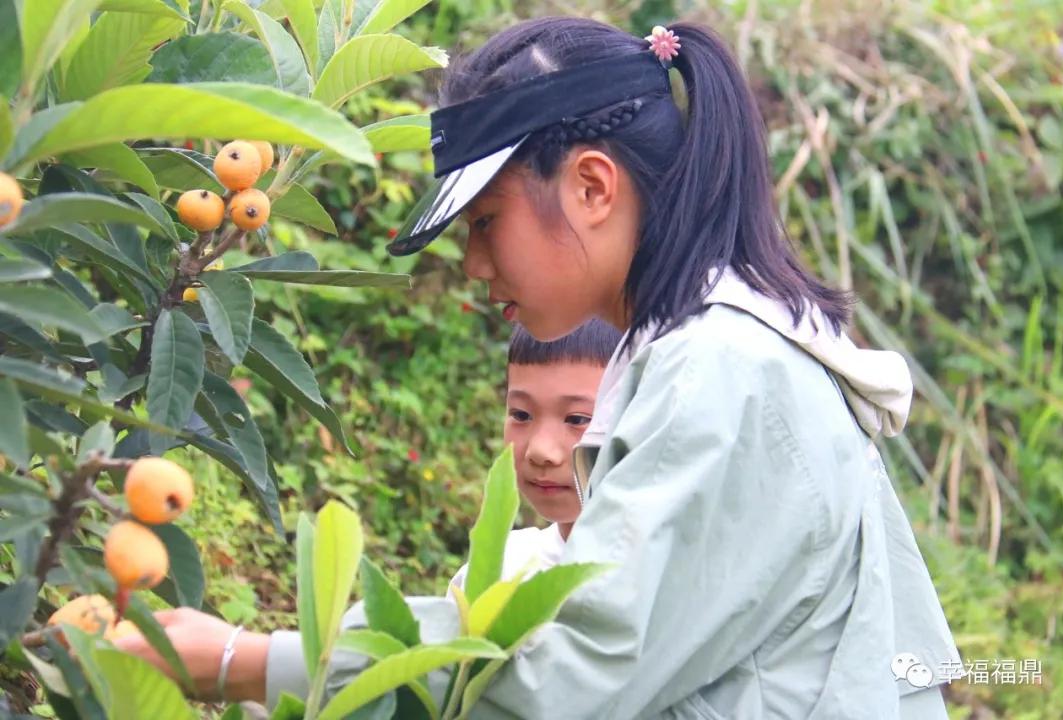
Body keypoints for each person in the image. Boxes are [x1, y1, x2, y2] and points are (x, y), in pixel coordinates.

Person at [119, 16, 963, 719]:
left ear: (593, 187)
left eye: (486, 222)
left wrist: (243, 661)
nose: (476, 267)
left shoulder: (724, 373)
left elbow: (569, 675)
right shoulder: (710, 350)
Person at [448, 319, 622, 596]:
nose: (540, 451)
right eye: (521, 415)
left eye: (577, 419)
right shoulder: (496, 574)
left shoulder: (664, 583)